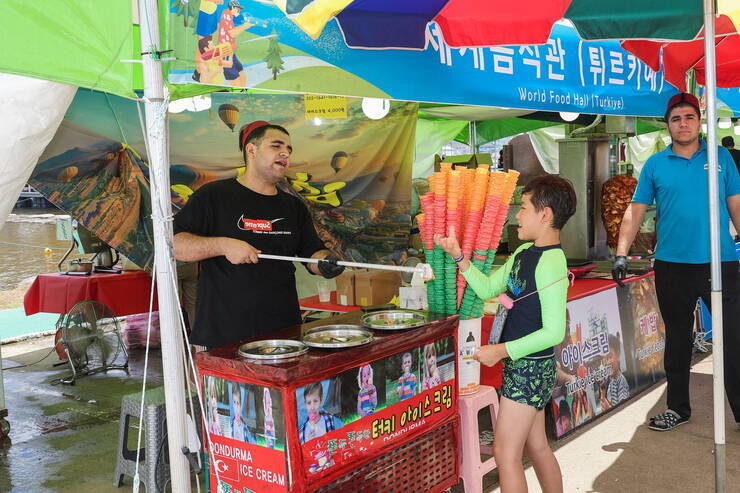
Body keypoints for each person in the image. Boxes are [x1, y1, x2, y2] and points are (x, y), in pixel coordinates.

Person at [435, 174, 576, 493]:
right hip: (526, 366)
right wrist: (459, 257)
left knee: (505, 452)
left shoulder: (551, 261)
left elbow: (554, 331)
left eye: (523, 207)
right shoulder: (524, 253)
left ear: (546, 214)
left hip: (530, 368)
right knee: (537, 445)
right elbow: (487, 287)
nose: (517, 215)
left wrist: (500, 351)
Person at [613, 92, 740, 431]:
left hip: (721, 263)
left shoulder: (721, 158)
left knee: (733, 340)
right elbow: (635, 211)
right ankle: (677, 409)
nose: (683, 124)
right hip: (672, 266)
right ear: (667, 125)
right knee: (678, 339)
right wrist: (621, 252)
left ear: (699, 122)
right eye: (676, 119)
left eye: (689, 117)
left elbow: (736, 205)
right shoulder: (655, 164)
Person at [173, 121, 344, 348]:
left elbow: (311, 253)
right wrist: (223, 245)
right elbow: (176, 246)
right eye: (276, 146)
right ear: (251, 150)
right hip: (224, 332)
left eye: (289, 149)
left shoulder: (293, 206)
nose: (285, 153)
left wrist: (325, 262)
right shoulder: (214, 195)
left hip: (283, 329)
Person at [606, 334, 630, 407]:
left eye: (610, 357)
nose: (608, 362)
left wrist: (608, 408)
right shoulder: (611, 382)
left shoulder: (622, 382)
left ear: (618, 354)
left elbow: (624, 409)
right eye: (605, 359)